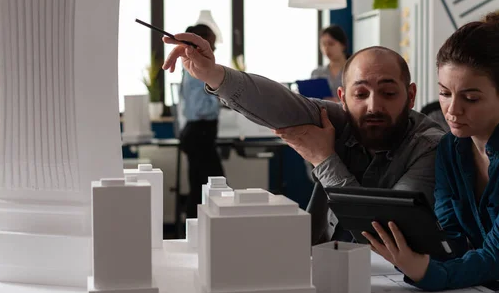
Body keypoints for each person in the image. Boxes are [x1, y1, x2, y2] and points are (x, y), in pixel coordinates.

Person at [359, 13, 499, 293]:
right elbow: (452, 236)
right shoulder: (451, 146)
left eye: (470, 98)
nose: (452, 110)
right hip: (497, 284)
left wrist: (425, 271)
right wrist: (418, 253)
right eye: (444, 93)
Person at [162, 33, 446, 245]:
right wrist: (213, 74)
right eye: (360, 94)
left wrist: (324, 161)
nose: (373, 106)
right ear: (342, 99)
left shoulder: (430, 146)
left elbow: (385, 235)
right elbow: (282, 104)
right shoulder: (338, 119)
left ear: (410, 96)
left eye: (388, 93)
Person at [178, 24, 224, 219]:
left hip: (197, 134)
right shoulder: (197, 70)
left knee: (201, 187)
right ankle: (199, 233)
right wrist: (220, 99)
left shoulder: (190, 69)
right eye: (211, 47)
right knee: (212, 188)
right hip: (200, 134)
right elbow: (201, 108)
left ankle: (198, 234)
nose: (213, 52)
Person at [310, 25, 349, 99]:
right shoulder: (317, 73)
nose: (326, 48)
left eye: (331, 44)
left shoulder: (354, 70)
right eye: (323, 44)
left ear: (342, 45)